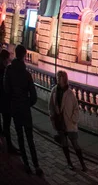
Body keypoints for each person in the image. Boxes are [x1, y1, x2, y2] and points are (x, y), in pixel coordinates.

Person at [3, 45, 42, 175]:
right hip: (25, 109)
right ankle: (36, 165)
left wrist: (14, 102)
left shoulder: (9, 70)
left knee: (20, 137)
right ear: (24, 55)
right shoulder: (27, 74)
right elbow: (34, 96)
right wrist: (26, 103)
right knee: (30, 138)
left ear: (15, 53)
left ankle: (26, 164)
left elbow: (6, 90)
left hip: (15, 108)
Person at [49, 70, 86, 171]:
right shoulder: (54, 91)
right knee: (64, 143)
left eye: (59, 77)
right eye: (57, 77)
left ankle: (82, 164)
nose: (58, 79)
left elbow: (76, 108)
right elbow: (51, 106)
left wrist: (73, 119)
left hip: (69, 123)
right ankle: (69, 163)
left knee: (75, 143)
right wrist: (52, 117)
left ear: (64, 79)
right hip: (60, 122)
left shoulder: (70, 93)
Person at [0, 49, 19, 154]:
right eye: (8, 59)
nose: (9, 61)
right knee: (7, 124)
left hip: (3, 100)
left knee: (4, 124)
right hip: (5, 101)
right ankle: (9, 146)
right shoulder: (5, 70)